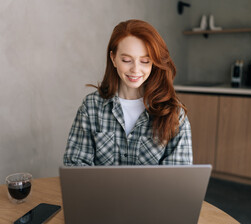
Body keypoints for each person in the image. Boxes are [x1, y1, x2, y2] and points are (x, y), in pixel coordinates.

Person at [63, 19, 192, 166]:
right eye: (126, 60)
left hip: (153, 191)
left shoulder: (174, 113)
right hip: (101, 190)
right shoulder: (91, 107)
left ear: (154, 63)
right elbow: (75, 165)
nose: (135, 69)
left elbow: (177, 178)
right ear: (113, 59)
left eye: (145, 61)